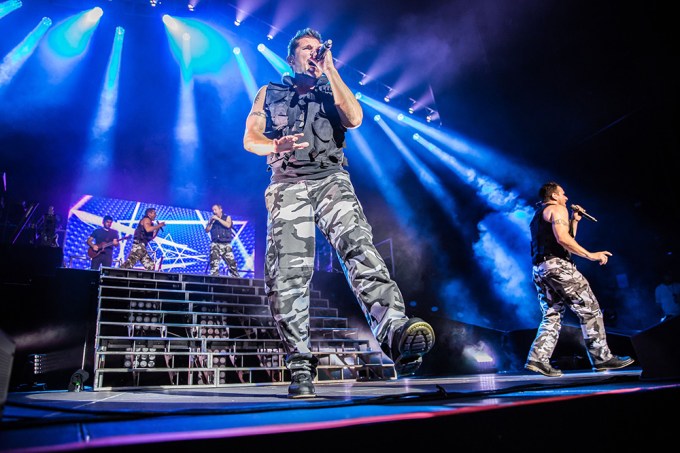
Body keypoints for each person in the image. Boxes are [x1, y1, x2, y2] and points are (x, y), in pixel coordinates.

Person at [243, 28, 435, 398]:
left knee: (359, 248)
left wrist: (331, 71)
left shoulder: (331, 87)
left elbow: (355, 118)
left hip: (332, 179)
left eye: (320, 49)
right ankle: (299, 364)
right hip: (287, 184)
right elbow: (250, 138)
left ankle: (395, 331)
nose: (314, 54)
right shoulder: (270, 92)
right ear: (291, 57)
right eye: (307, 49)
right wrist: (272, 144)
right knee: (288, 272)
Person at [525, 182, 634, 377]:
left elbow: (564, 238)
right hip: (559, 267)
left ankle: (538, 359)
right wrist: (592, 255)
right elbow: (563, 240)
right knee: (590, 309)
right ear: (555, 196)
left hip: (541, 269)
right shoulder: (557, 208)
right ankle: (602, 358)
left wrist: (575, 220)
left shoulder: (538, 215)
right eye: (563, 194)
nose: (566, 198)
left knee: (552, 314)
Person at [205, 204, 240, 277]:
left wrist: (218, 219)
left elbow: (228, 225)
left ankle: (236, 279)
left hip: (226, 244)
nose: (214, 212)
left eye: (215, 210)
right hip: (215, 244)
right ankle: (214, 279)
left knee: (232, 264)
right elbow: (207, 230)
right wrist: (210, 222)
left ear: (220, 209)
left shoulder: (227, 217)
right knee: (214, 263)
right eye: (213, 210)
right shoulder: (212, 220)